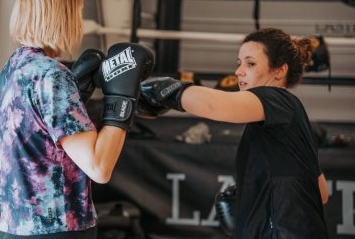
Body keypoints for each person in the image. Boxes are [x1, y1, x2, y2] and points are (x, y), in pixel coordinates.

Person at [0, 0, 154, 239]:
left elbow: (43, 142)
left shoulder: (13, 69)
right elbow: (99, 167)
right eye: (77, 6)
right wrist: (121, 101)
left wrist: (78, 94)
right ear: (64, 12)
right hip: (57, 231)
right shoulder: (51, 75)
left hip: (14, 230)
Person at [139, 27, 329, 238]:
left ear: (279, 71)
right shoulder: (290, 118)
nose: (239, 71)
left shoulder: (276, 99)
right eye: (239, 63)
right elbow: (321, 193)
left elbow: (215, 106)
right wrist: (253, 203)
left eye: (251, 63)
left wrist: (163, 90)